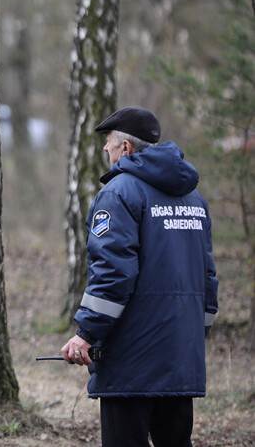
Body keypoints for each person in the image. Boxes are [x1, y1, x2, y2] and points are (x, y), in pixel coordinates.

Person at [61, 106, 219, 447]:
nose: (105, 149)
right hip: (180, 356)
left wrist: (87, 333)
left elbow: (113, 274)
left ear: (126, 149)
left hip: (133, 361)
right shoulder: (194, 199)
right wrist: (194, 333)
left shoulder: (118, 194)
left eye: (109, 142)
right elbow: (207, 277)